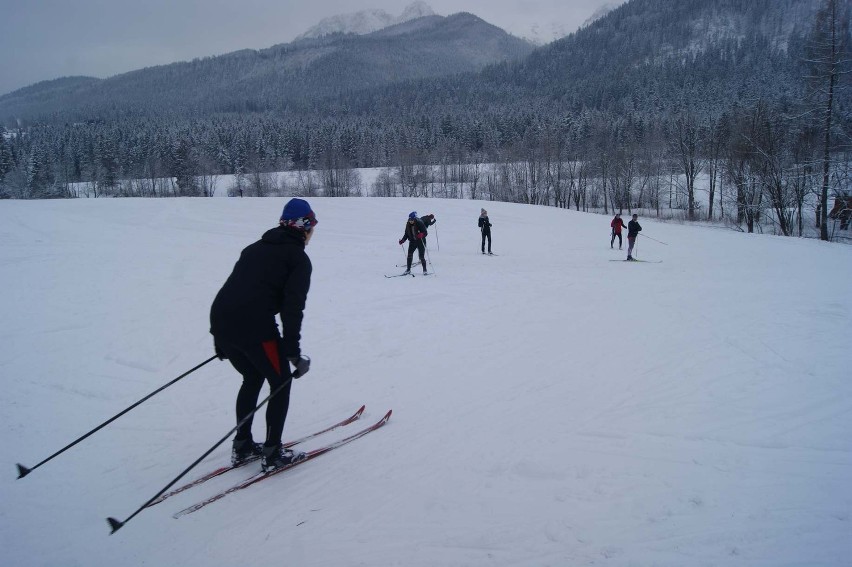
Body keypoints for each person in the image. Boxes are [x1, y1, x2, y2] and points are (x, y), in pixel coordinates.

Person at [210, 198, 317, 473]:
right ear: (303, 226)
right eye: (312, 225)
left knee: (253, 376)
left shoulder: (254, 249)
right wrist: (292, 352)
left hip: (222, 323)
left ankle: (243, 445)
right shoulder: (298, 259)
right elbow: (293, 309)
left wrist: (219, 339)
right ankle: (272, 454)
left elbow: (231, 291)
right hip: (253, 327)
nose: (313, 231)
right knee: (280, 382)